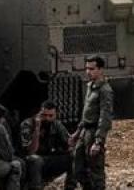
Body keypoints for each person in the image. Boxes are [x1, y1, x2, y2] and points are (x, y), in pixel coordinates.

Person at [69, 55, 113, 190]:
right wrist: (77, 132)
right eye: (87, 68)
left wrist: (98, 141)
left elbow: (105, 117)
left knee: (96, 170)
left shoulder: (105, 90)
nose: (88, 72)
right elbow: (86, 112)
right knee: (78, 169)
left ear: (100, 69)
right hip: (84, 131)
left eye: (92, 69)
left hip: (94, 132)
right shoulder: (90, 86)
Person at [20, 100, 75, 190]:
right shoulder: (27, 124)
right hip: (31, 160)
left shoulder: (56, 124)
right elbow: (31, 151)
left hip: (48, 158)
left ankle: (70, 187)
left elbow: (68, 143)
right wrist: (37, 128)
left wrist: (72, 146)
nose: (47, 118)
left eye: (50, 116)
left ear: (55, 115)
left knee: (73, 156)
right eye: (44, 115)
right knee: (35, 160)